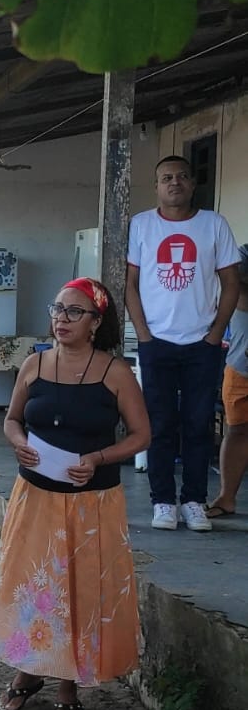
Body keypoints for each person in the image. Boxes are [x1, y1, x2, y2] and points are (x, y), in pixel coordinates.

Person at [0, 278, 150, 710]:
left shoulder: (115, 372)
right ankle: (29, 671)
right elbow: (11, 420)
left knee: (80, 590)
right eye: (58, 309)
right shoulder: (34, 364)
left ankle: (68, 684)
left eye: (74, 312)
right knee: (34, 587)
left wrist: (98, 458)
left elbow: (142, 435)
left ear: (96, 322)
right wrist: (18, 442)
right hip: (35, 498)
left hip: (92, 503)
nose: (61, 319)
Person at [126, 157, 240, 530]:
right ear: (157, 186)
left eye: (182, 177)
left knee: (198, 423)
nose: (174, 183)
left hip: (201, 344)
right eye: (166, 178)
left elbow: (231, 283)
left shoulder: (214, 224)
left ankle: (194, 501)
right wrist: (143, 334)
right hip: (156, 342)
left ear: (192, 184)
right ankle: (162, 501)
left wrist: (215, 334)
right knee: (159, 424)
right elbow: (130, 284)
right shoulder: (142, 225)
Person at [207, 242, 248, 519]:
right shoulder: (244, 253)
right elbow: (234, 285)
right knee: (236, 431)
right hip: (241, 364)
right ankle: (226, 498)